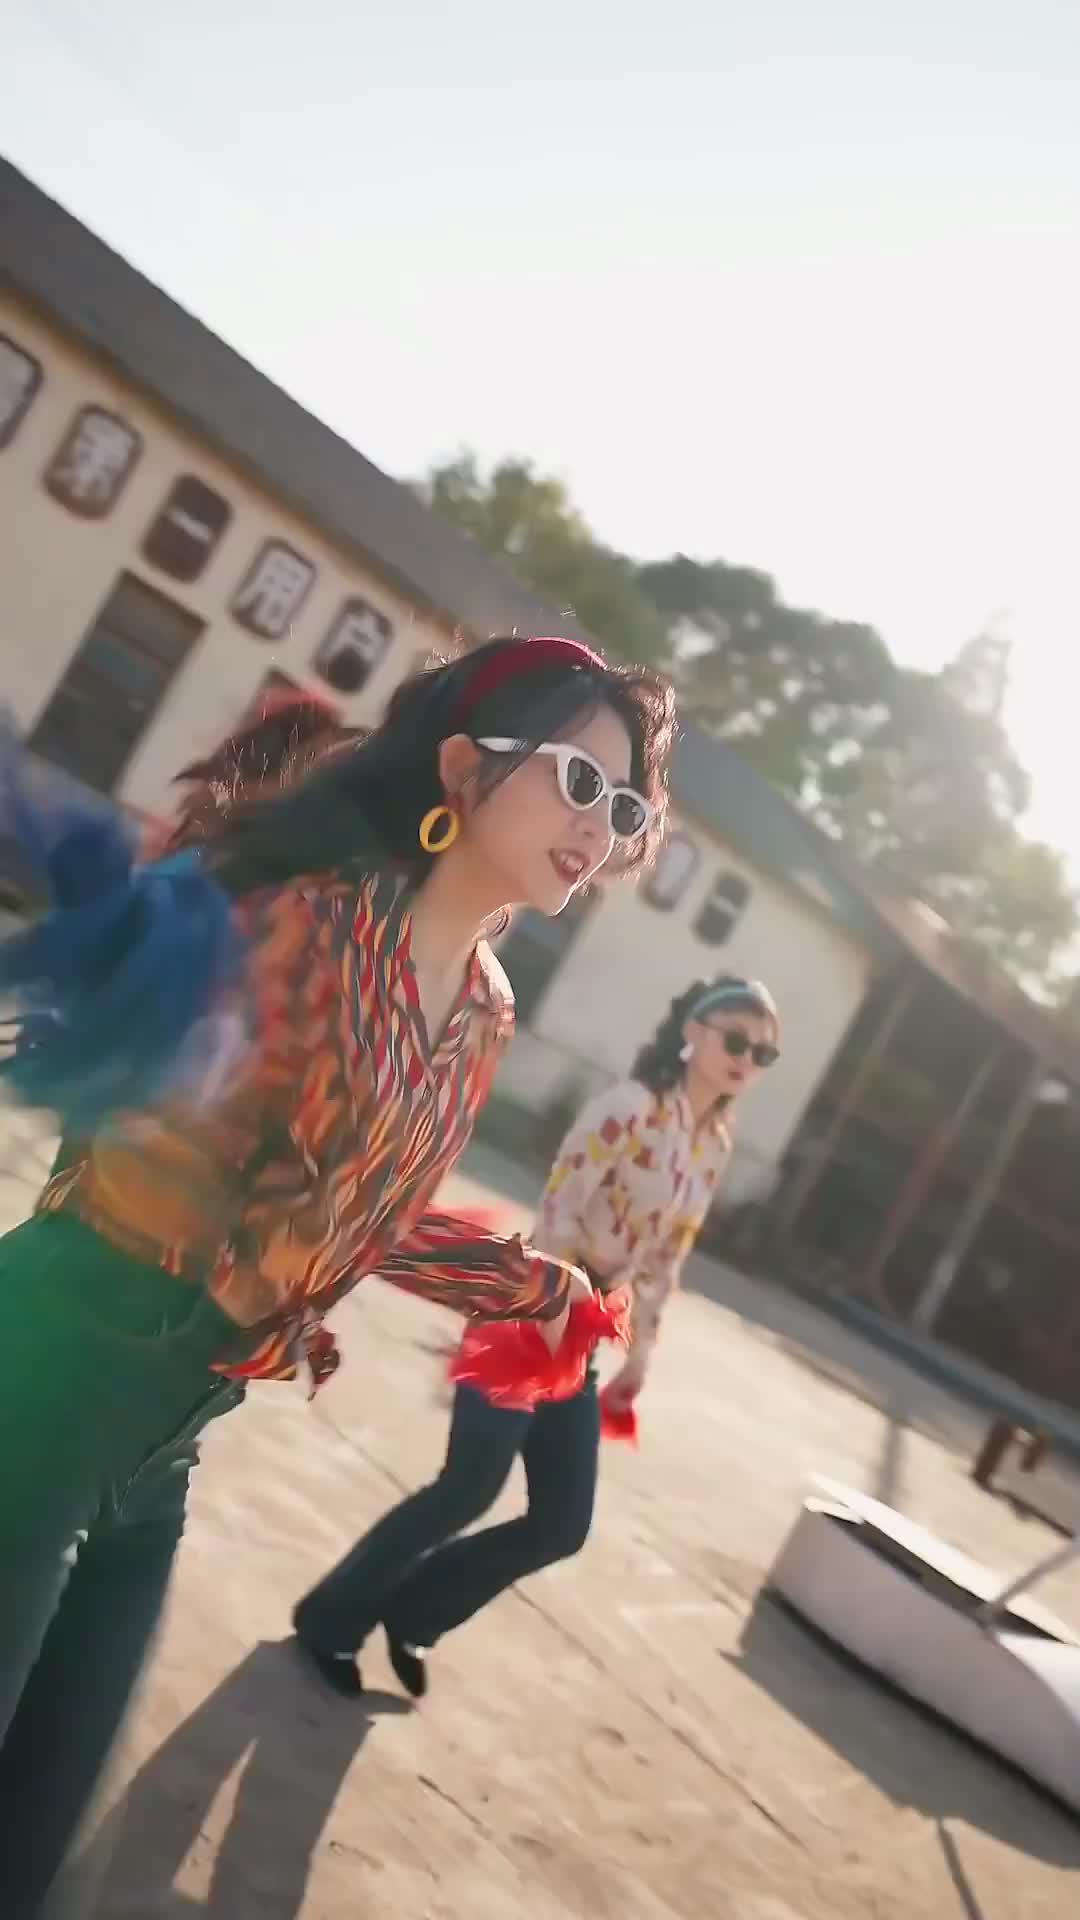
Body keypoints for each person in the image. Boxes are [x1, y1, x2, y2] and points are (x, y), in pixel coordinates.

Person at [0, 634, 674, 1916]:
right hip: (48, 1373)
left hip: (166, 1446)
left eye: (627, 807)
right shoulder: (310, 921)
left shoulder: (484, 1011)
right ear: (465, 769)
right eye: (581, 782)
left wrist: (538, 1290)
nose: (603, 826)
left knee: (33, 1854)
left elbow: (368, 1214)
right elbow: (167, 1100)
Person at [293, 972, 780, 1700]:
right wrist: (546, 1306)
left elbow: (667, 1256)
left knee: (562, 1522)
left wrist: (640, 1354)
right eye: (736, 1040)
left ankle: (416, 1610)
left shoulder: (711, 1144)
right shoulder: (628, 1107)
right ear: (693, 1033)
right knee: (467, 1488)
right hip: (528, 1308)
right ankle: (329, 1621)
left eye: (762, 1053)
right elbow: (559, 1207)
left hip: (587, 1332)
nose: (746, 1059)